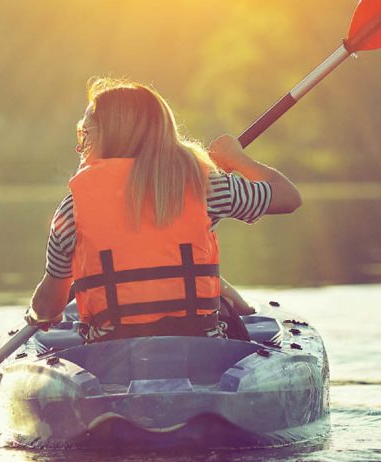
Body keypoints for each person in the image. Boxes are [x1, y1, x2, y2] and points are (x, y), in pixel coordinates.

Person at [25, 78, 302, 342]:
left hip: (110, 356)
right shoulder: (206, 187)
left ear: (108, 137)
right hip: (204, 352)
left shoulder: (72, 210)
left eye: (85, 133)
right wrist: (238, 160)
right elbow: (288, 196)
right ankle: (243, 308)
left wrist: (36, 314)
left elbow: (49, 306)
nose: (80, 145)